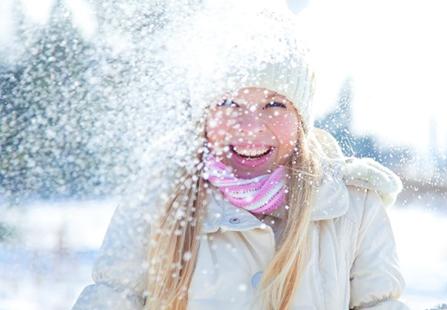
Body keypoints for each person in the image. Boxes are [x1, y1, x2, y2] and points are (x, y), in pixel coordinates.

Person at [73, 4, 409, 310]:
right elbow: (112, 296)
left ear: (301, 118)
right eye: (229, 104)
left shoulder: (354, 205)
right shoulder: (158, 197)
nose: (250, 127)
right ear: (204, 116)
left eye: (274, 105)